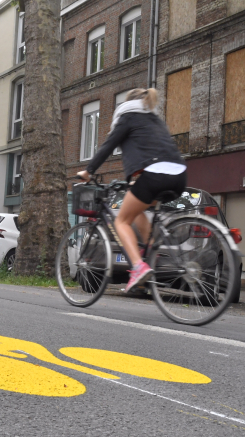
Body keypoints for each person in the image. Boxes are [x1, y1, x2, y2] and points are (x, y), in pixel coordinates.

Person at [77, 88, 187, 293]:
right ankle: (150, 250)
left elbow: (108, 146)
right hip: (179, 175)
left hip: (155, 175)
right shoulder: (155, 120)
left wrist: (88, 170)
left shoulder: (128, 117)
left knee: (121, 220)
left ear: (125, 104)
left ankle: (138, 266)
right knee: (136, 208)